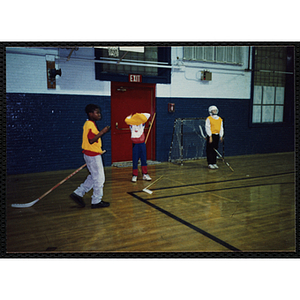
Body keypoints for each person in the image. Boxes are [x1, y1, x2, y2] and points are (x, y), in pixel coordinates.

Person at [70, 104, 110, 208]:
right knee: (100, 178)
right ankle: (96, 201)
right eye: (97, 112)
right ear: (90, 114)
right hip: (92, 156)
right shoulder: (89, 124)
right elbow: (91, 140)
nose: (99, 114)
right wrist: (103, 132)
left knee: (93, 176)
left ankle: (78, 193)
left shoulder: (91, 123)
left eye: (99, 112)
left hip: (92, 154)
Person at [125, 112, 152, 182]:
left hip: (142, 144)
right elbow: (126, 119)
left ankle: (145, 174)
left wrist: (139, 115)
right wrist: (131, 116)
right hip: (135, 144)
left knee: (143, 159)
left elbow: (148, 115)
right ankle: (135, 175)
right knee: (135, 160)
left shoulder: (142, 124)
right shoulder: (131, 125)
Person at [205, 105, 224, 169]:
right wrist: (210, 136)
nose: (215, 111)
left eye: (215, 110)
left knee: (215, 149)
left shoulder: (220, 119)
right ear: (210, 111)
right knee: (210, 149)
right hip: (211, 135)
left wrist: (221, 136)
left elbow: (221, 128)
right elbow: (207, 128)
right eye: (213, 110)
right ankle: (210, 163)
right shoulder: (209, 119)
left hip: (217, 135)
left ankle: (214, 162)